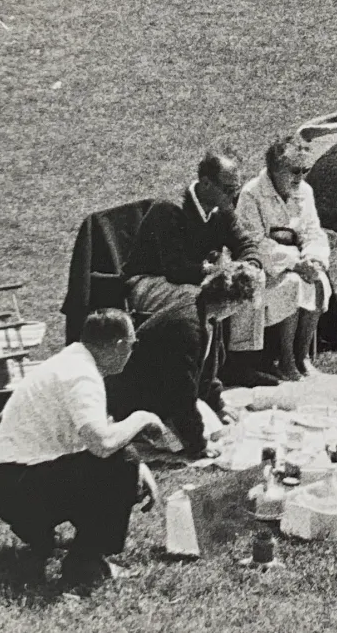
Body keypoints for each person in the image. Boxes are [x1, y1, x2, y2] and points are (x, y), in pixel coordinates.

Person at [0, 308, 164, 595]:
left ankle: (40, 535)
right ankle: (86, 562)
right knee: (121, 461)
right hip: (20, 488)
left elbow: (96, 431)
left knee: (124, 460)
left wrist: (141, 468)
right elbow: (102, 444)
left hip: (9, 483)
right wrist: (142, 417)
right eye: (133, 344)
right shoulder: (81, 375)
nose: (132, 351)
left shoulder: (72, 361)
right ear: (120, 345)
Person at [115, 150, 258, 453]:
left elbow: (244, 243)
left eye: (237, 189)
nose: (234, 196)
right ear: (206, 183)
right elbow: (175, 267)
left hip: (192, 282)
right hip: (147, 282)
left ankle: (215, 384)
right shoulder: (168, 210)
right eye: (229, 189)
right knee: (204, 302)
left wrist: (251, 265)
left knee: (217, 301)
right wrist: (218, 272)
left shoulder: (222, 211)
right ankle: (202, 390)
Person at [238, 135, 332, 382]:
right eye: (294, 170)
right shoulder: (251, 195)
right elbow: (254, 242)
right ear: (274, 169)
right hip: (263, 269)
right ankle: (285, 359)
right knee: (290, 284)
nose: (300, 177)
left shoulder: (305, 192)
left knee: (319, 281)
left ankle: (303, 357)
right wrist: (294, 262)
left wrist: (314, 260)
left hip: (296, 263)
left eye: (305, 170)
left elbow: (313, 231)